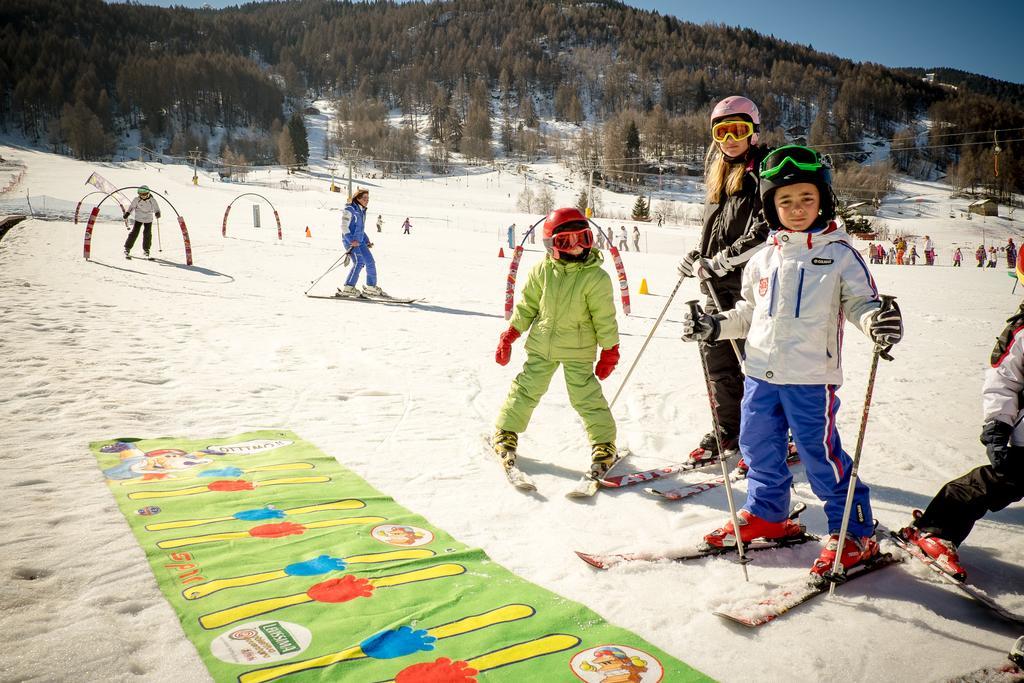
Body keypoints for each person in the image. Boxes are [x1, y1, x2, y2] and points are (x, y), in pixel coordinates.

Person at [681, 144, 903, 577]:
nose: (797, 208)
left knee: (821, 457)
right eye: (785, 200)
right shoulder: (764, 257)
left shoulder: (839, 255)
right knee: (758, 446)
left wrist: (877, 322)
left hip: (809, 379)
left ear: (823, 200)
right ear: (770, 206)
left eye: (806, 198)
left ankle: (854, 530)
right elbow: (747, 313)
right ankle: (768, 513)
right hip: (760, 375)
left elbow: (861, 303)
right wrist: (713, 326)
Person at [897, 300, 1024, 580]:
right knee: (994, 482)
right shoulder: (1021, 331)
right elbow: (1003, 381)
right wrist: (997, 425)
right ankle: (935, 530)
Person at [492, 207, 621, 479]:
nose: (576, 248)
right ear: (551, 245)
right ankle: (506, 431)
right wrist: (511, 334)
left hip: (578, 350)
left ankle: (603, 443)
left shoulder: (596, 278)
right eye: (566, 242)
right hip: (542, 345)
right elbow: (527, 306)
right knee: (526, 389)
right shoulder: (542, 271)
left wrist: (610, 349)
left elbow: (605, 319)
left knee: (586, 397)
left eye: (583, 239)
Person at [676, 95, 771, 460]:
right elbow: (714, 231)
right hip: (716, 286)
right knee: (718, 361)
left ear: (754, 133)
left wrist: (721, 262)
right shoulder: (718, 170)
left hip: (752, 287)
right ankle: (728, 430)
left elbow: (766, 230)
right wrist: (698, 257)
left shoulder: (764, 170)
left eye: (739, 129)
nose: (730, 137)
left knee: (757, 364)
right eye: (722, 130)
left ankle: (772, 436)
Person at [337, 187, 388, 298]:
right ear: (358, 198)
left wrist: (366, 240)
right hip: (350, 242)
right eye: (364, 198)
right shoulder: (349, 209)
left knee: (370, 261)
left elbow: (360, 229)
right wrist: (351, 240)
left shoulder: (361, 211)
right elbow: (344, 226)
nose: (367, 200)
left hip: (360, 241)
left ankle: (371, 287)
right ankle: (348, 288)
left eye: (368, 198)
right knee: (359, 262)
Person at [123, 185, 160, 259]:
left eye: (144, 194)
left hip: (148, 219)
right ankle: (127, 248)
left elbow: (157, 208)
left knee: (147, 234)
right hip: (139, 218)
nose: (142, 196)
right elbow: (131, 207)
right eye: (140, 194)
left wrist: (157, 213)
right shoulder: (136, 199)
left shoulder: (152, 200)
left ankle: (146, 249)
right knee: (134, 233)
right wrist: (127, 213)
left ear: (148, 193)